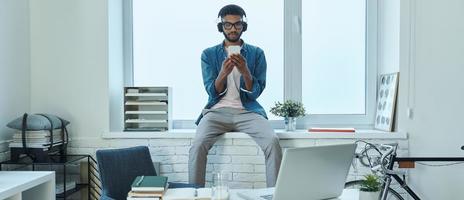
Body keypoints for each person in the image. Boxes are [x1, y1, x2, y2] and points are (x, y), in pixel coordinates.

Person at [188, 4, 282, 187]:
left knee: (272, 142)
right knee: (197, 145)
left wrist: (245, 70)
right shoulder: (208, 54)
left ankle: (275, 194)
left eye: (237, 24)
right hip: (217, 111)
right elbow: (211, 91)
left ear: (243, 26)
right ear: (221, 27)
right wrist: (223, 72)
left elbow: (256, 91)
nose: (233, 29)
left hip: (247, 111)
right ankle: (195, 194)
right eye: (228, 25)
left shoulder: (257, 53)